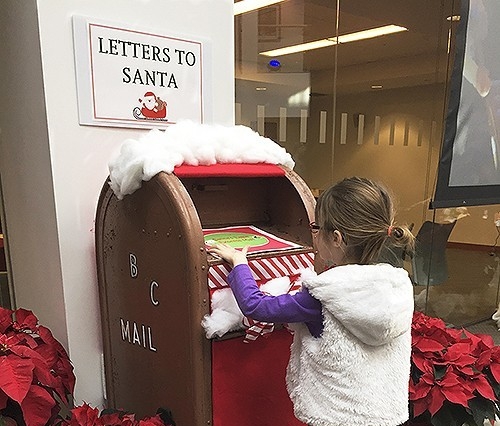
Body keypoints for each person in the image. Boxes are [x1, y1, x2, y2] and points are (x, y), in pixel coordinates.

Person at [208, 176, 415, 426]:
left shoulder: (323, 295)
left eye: (317, 229)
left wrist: (240, 264)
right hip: (381, 413)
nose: (313, 236)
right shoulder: (397, 285)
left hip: (336, 416)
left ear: (337, 238)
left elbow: (256, 306)